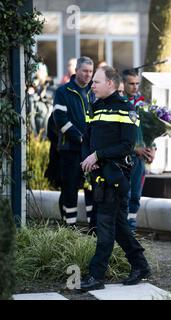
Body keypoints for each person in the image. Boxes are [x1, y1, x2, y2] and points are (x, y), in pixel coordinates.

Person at [79, 66, 151, 291]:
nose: (92, 85)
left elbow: (127, 146)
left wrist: (98, 155)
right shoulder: (95, 106)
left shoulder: (126, 109)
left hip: (116, 176)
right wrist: (88, 160)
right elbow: (87, 139)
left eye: (97, 82)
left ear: (110, 83)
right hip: (99, 175)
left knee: (105, 226)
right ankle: (140, 265)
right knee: (119, 226)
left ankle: (96, 276)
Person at [53, 56, 95, 229]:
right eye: (84, 71)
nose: (88, 75)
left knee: (92, 190)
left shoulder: (94, 91)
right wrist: (79, 137)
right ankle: (69, 230)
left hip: (91, 152)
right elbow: (60, 119)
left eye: (90, 72)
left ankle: (94, 228)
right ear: (76, 70)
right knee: (69, 190)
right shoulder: (63, 92)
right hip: (70, 150)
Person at [121, 68, 156, 234]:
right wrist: (135, 149)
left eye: (137, 83)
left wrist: (152, 149)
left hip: (141, 160)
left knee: (135, 195)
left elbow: (151, 130)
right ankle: (123, 231)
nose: (135, 87)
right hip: (123, 158)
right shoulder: (118, 103)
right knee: (124, 195)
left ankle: (131, 229)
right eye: (131, 84)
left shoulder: (143, 104)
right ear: (123, 83)